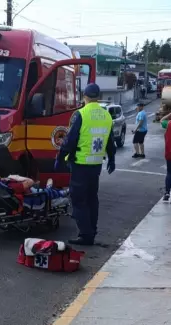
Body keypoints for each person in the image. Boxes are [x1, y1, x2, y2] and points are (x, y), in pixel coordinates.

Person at [55, 83, 116, 246]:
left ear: (85, 96)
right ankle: (92, 231)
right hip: (96, 165)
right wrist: (112, 158)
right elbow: (110, 141)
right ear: (99, 96)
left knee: (78, 200)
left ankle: (86, 235)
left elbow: (70, 140)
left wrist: (60, 157)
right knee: (92, 199)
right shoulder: (107, 115)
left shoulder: (81, 114)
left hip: (80, 164)